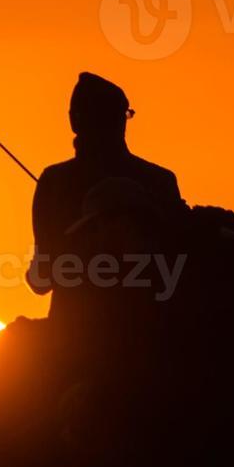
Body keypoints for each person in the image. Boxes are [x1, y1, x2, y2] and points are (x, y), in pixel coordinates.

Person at [27, 74, 185, 316]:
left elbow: (40, 281)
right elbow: (179, 268)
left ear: (74, 120)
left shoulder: (54, 181)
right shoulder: (160, 180)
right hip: (151, 336)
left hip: (76, 340)